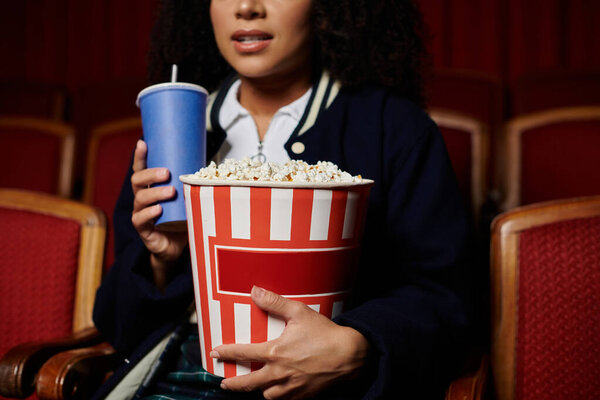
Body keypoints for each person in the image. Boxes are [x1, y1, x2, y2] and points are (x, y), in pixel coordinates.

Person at [92, 0, 477, 399]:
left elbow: (447, 302)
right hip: (182, 373)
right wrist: (162, 261)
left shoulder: (394, 128)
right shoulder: (174, 134)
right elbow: (117, 329)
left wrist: (356, 345)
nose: (246, 7)